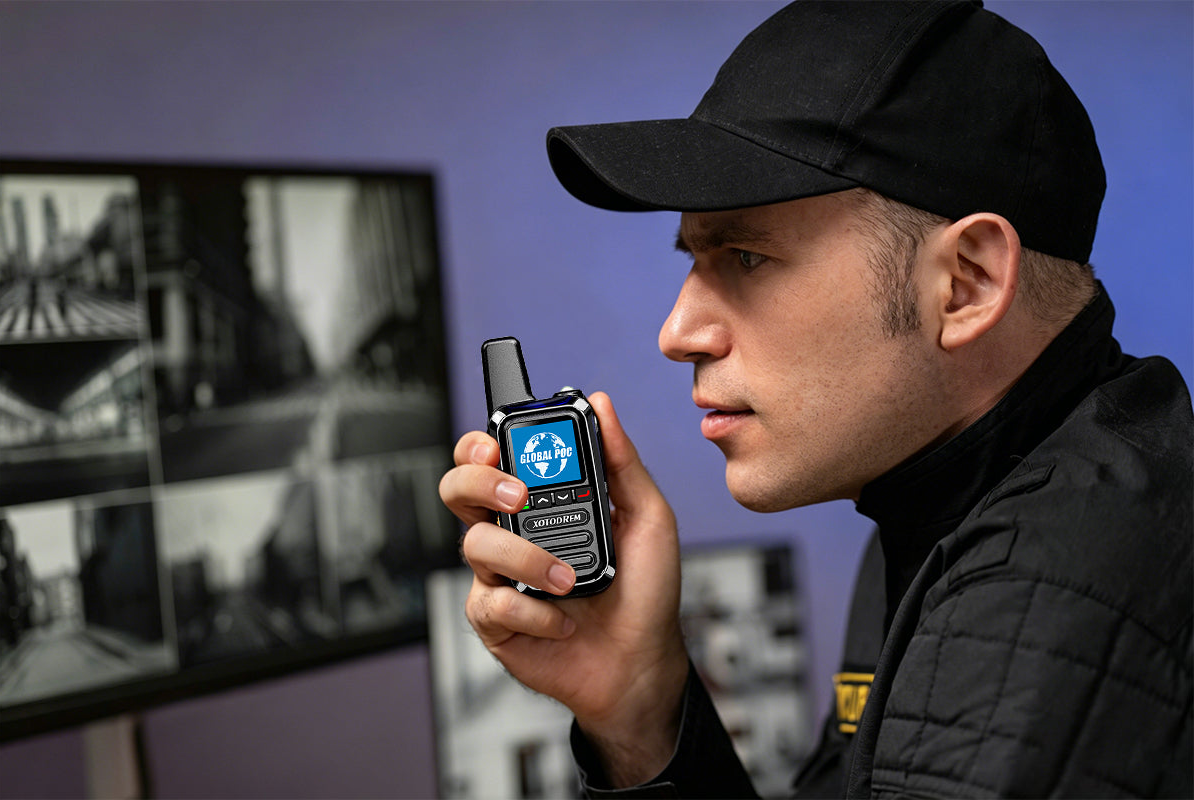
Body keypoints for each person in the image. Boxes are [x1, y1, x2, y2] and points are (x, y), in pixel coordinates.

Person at [439, 1, 1193, 797]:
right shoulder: (942, 498)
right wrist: (638, 708)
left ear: (966, 282)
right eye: (694, 260)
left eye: (748, 256)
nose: (677, 330)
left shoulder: (1040, 585)